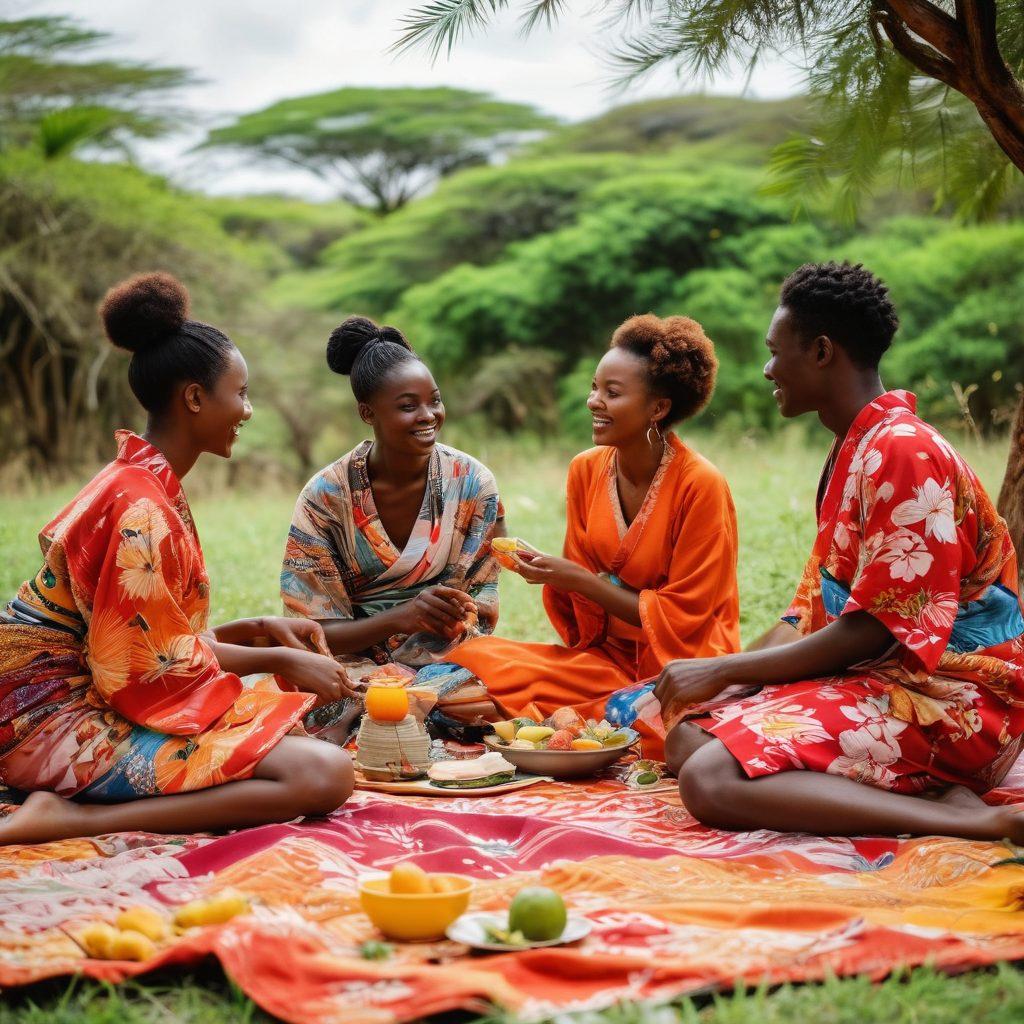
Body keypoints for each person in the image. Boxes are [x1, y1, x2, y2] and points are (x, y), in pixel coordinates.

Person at [657, 261, 1024, 843]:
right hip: (882, 679)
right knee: (686, 734)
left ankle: (971, 819)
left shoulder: (903, 452)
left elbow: (874, 630)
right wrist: (724, 683)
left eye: (775, 352)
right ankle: (925, 790)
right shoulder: (857, 448)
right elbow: (806, 612)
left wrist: (724, 668)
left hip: (954, 700)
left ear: (822, 351)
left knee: (708, 779)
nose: (768, 369)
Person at [0, 273, 354, 845]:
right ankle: (71, 820)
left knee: (297, 731)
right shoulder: (140, 507)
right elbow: (142, 667)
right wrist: (281, 661)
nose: (247, 410)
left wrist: (261, 629)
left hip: (66, 699)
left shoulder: (141, 483)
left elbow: (149, 636)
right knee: (323, 773)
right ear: (194, 398)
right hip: (45, 724)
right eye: (240, 393)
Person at [447, 314, 741, 756]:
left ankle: (611, 716)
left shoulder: (701, 484)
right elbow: (581, 607)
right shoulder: (585, 469)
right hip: (606, 660)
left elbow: (688, 617)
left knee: (663, 727)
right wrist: (555, 575)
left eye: (612, 393)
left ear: (658, 408)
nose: (593, 402)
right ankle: (588, 712)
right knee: (472, 661)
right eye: (594, 388)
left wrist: (579, 580)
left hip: (681, 668)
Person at [281, 316, 504, 736]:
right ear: (367, 413)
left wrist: (453, 618)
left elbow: (482, 606)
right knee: (313, 694)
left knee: (486, 698)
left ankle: (374, 719)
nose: (428, 415)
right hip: (350, 665)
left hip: (446, 664)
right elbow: (312, 634)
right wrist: (402, 617)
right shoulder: (325, 496)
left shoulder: (472, 483)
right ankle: (379, 715)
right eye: (407, 406)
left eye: (434, 401)